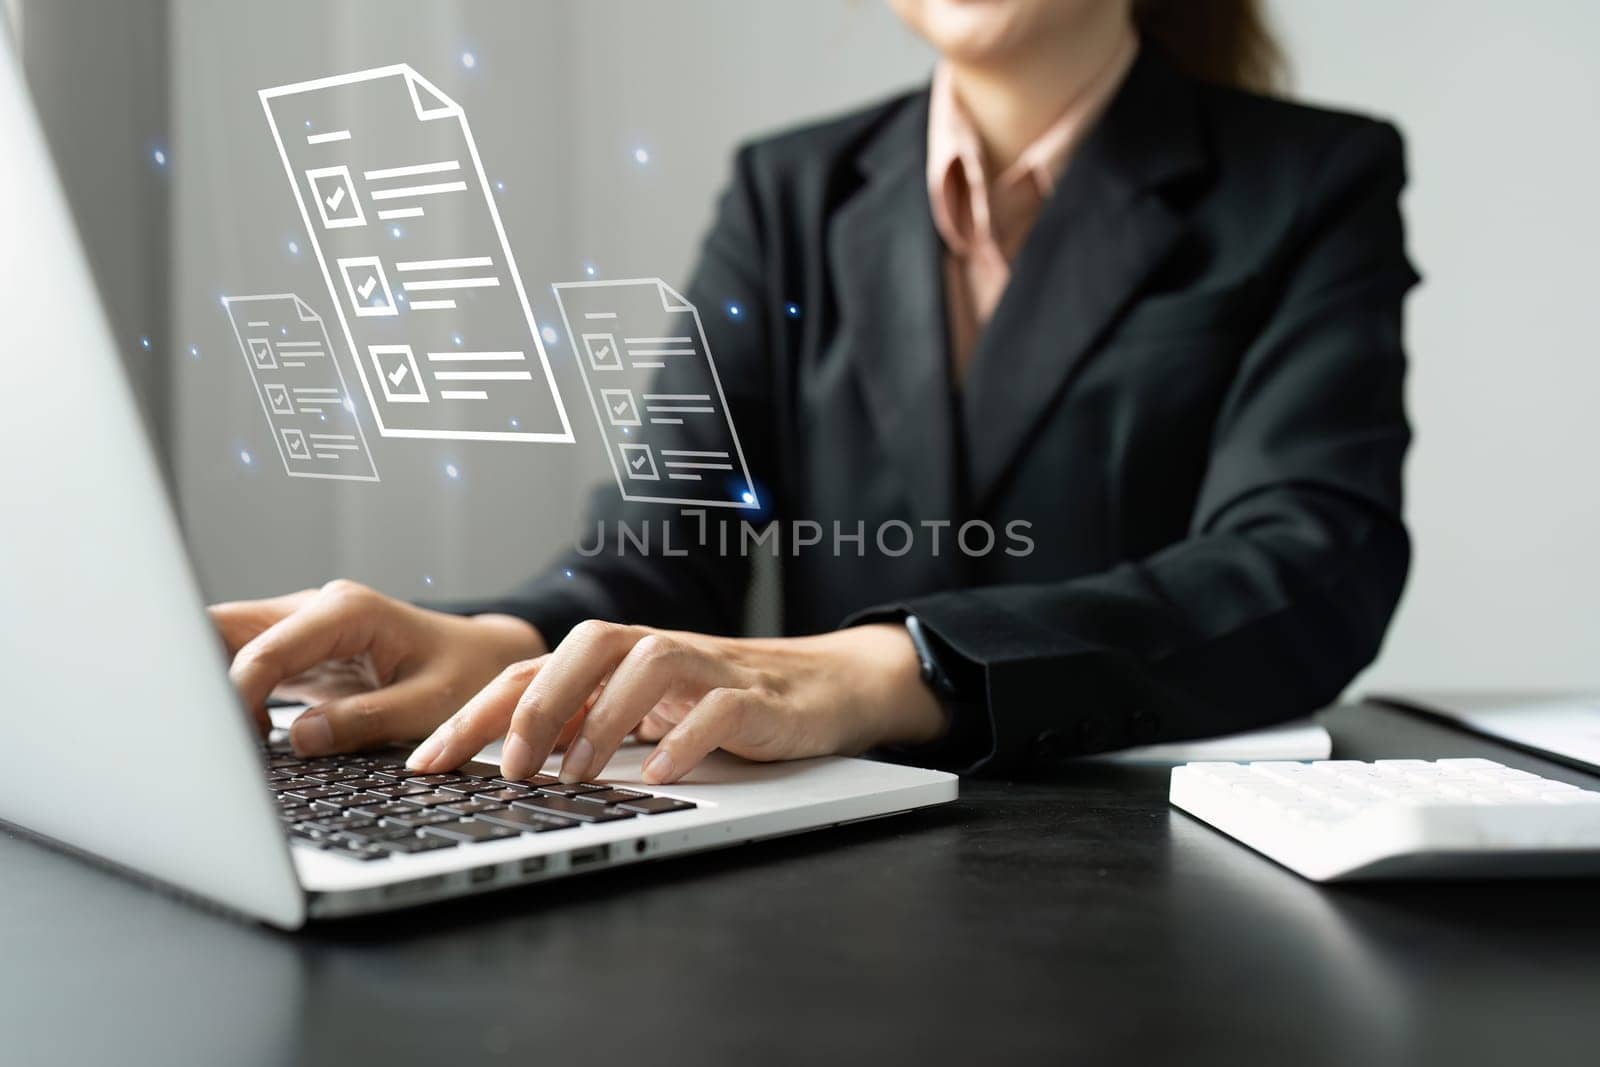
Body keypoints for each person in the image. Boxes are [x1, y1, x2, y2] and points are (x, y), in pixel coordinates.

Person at [211, 0, 1416, 786]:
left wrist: (871, 672)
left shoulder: (1309, 180)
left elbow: (1308, 564)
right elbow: (668, 545)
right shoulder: (788, 190)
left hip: (1156, 857)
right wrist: (498, 643)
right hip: (834, 861)